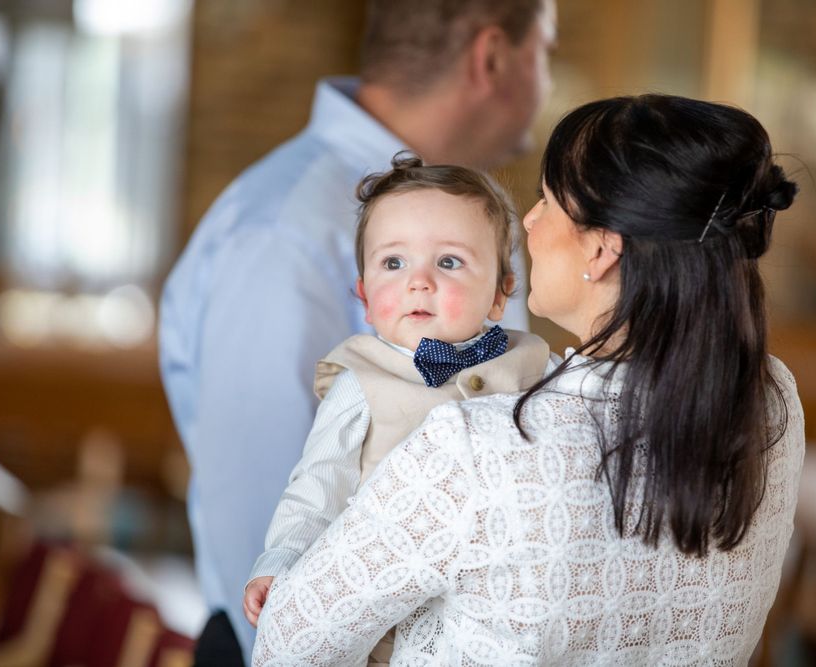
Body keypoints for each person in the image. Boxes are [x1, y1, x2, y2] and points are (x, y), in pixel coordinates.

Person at [251, 94, 806, 665]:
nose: (530, 223)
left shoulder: (477, 451)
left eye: (547, 201)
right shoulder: (771, 402)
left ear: (602, 248)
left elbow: (287, 647)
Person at [158, 1, 557, 663]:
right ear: (492, 57)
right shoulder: (284, 232)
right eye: (545, 49)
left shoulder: (480, 217)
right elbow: (268, 510)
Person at [242, 155, 553, 664]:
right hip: (388, 624)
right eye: (393, 263)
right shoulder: (361, 382)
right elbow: (316, 487)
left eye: (449, 262)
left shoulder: (535, 365)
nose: (419, 281)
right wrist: (281, 560)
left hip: (496, 614)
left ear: (500, 295)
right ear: (365, 297)